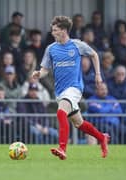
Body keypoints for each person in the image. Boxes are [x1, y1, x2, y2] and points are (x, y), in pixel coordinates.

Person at [32, 16, 109, 160]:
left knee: (61, 112)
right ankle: (102, 137)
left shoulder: (77, 45)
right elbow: (45, 69)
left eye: (55, 30)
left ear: (64, 31)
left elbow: (94, 54)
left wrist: (98, 74)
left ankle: (62, 148)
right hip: (60, 90)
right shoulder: (51, 49)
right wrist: (38, 73)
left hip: (74, 88)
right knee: (78, 123)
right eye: (52, 30)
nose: (52, 33)